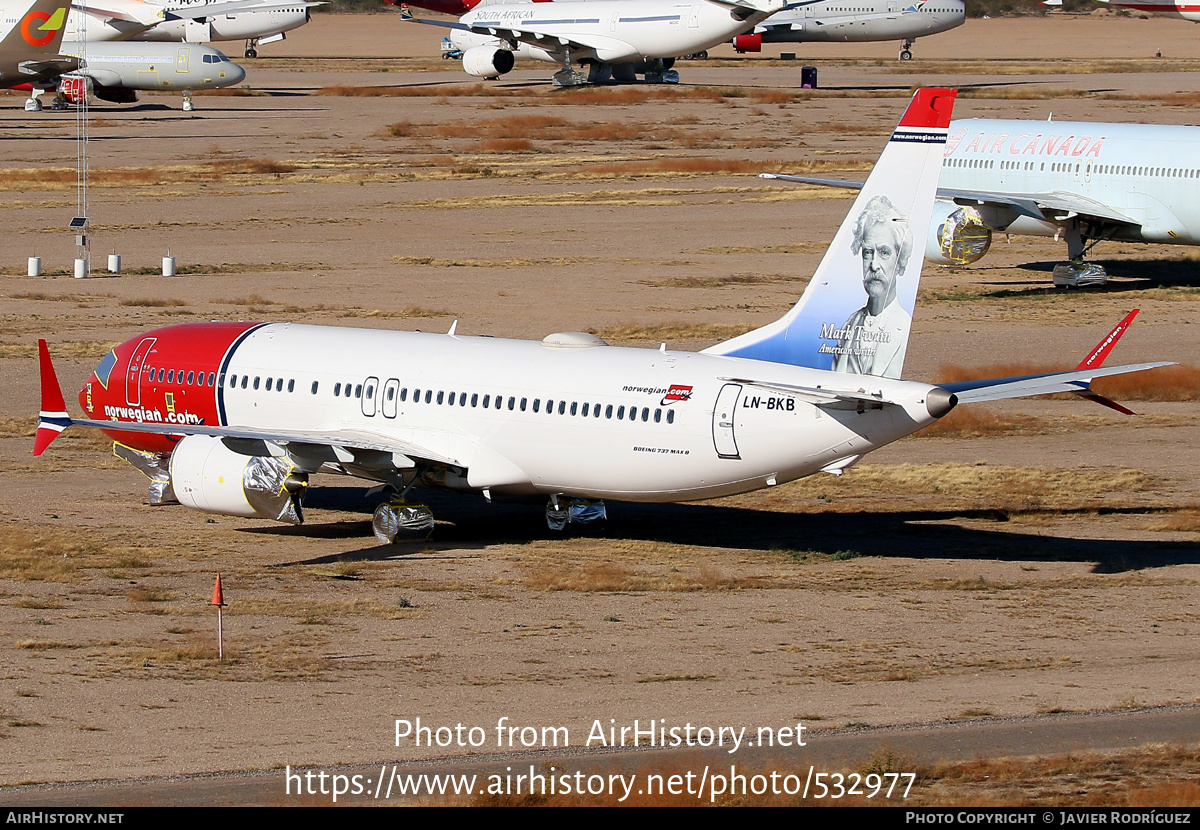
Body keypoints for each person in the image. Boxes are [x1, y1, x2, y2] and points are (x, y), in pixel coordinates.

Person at [830, 194, 913, 378]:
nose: (874, 265)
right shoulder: (849, 325)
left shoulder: (906, 327)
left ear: (900, 261)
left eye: (884, 252)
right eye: (868, 252)